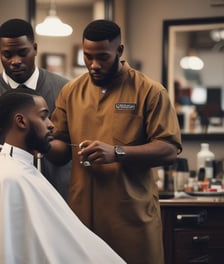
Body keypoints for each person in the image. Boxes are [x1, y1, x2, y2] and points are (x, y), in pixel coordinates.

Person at [46, 20, 182, 264]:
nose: (94, 65)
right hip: (82, 221)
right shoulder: (71, 91)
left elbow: (169, 149)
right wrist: (40, 143)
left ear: (119, 51)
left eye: (102, 57)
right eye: (88, 57)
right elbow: (60, 150)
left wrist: (117, 152)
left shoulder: (150, 92)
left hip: (133, 221)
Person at [0, 87, 126, 264]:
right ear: (21, 121)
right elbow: (6, 253)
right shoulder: (7, 179)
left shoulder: (19, 168)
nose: (51, 124)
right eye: (43, 116)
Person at [0, 18, 71, 200]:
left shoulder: (64, 90)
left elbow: (69, 153)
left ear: (34, 48)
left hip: (56, 198)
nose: (15, 61)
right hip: (6, 198)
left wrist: (39, 137)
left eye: (22, 52)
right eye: (8, 54)